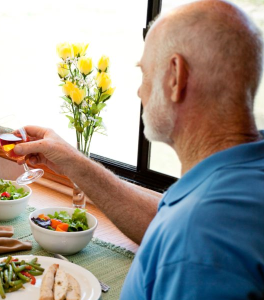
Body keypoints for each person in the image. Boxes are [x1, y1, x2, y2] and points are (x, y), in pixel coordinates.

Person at [15, 0, 264, 298]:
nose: (139, 91)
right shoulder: (233, 178)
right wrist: (73, 162)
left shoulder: (198, 238)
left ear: (175, 77)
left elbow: (187, 238)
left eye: (144, 73)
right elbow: (162, 223)